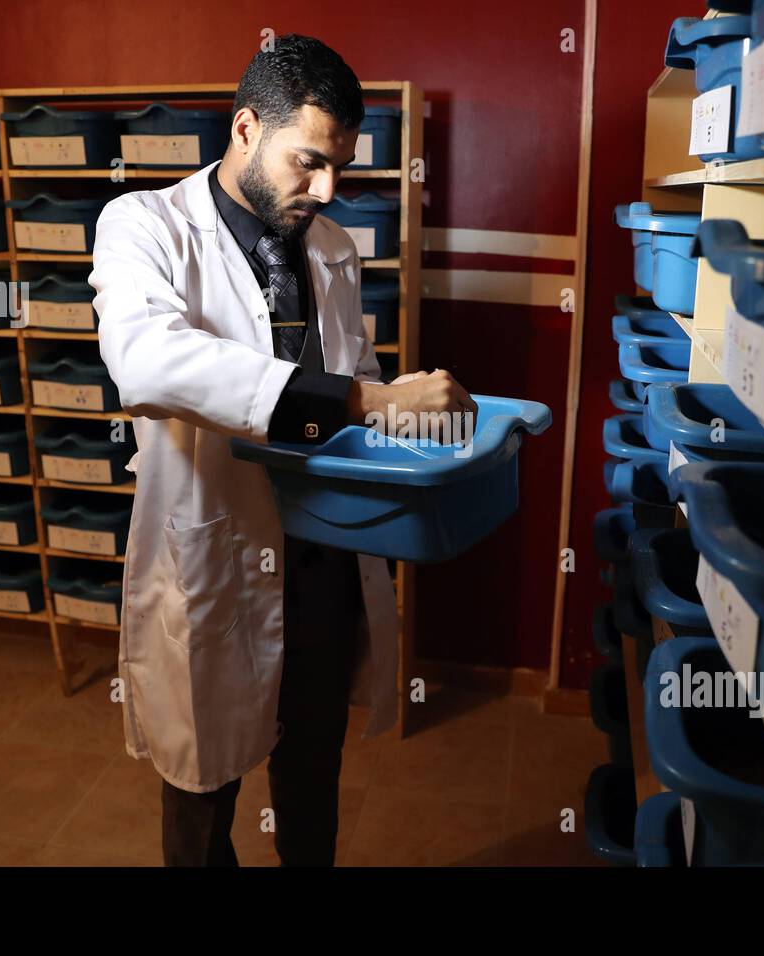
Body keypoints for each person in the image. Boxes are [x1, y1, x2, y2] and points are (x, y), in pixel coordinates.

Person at [89, 33, 475, 866]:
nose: (327, 189)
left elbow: (356, 375)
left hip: (323, 558)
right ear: (244, 131)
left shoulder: (332, 245)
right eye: (308, 163)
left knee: (312, 777)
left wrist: (411, 414)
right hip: (213, 555)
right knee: (201, 796)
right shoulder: (144, 225)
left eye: (339, 167)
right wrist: (368, 398)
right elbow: (147, 363)